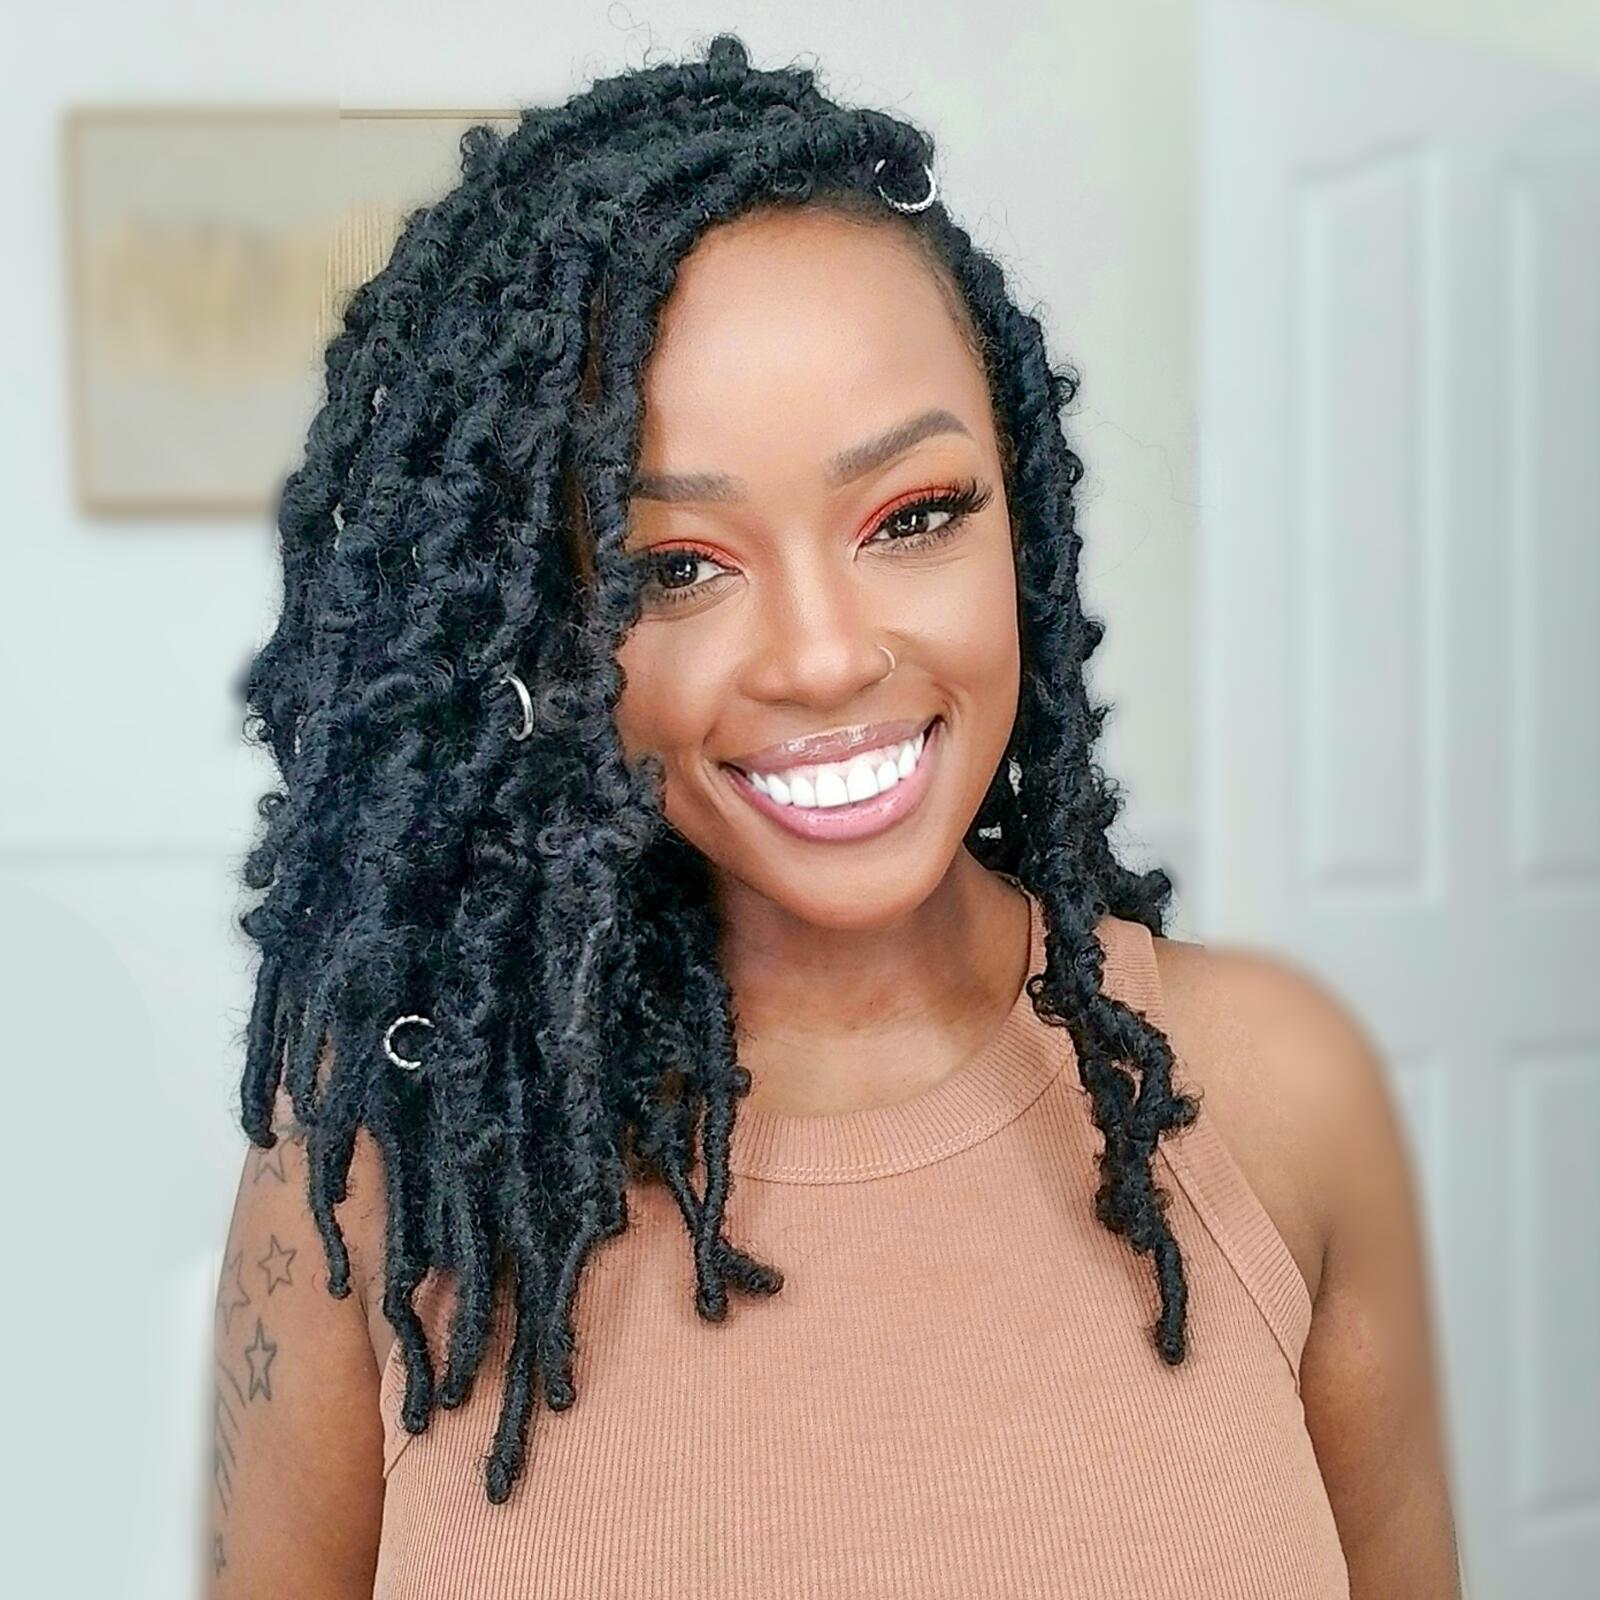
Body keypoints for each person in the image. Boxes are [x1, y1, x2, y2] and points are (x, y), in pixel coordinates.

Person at [206, 32, 1460, 1599]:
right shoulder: (381, 1168)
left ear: (1021, 520)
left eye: (913, 516)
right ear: (543, 622)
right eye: (677, 566)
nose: (823, 656)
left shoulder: (1279, 1099)